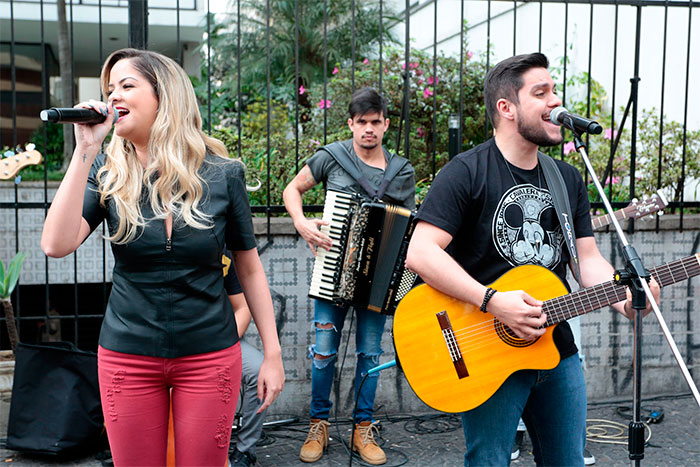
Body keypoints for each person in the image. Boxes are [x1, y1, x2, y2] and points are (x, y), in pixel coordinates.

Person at [404, 52, 659, 466]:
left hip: (556, 351)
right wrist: (492, 300)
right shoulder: (466, 172)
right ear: (506, 108)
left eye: (554, 91)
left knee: (568, 461)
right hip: (485, 350)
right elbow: (419, 250)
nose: (555, 102)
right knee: (489, 461)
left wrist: (625, 298)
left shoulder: (567, 178)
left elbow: (586, 260)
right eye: (541, 93)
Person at [40, 48, 284, 466]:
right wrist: (84, 150)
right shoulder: (107, 171)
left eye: (127, 85)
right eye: (109, 88)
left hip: (209, 355)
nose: (113, 95)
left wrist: (274, 356)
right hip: (127, 356)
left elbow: (249, 268)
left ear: (164, 95)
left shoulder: (223, 174)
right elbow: (55, 244)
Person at [282, 87, 415, 465]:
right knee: (324, 353)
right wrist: (301, 223)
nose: (368, 130)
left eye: (376, 123)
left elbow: (408, 226)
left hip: (376, 281)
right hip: (331, 275)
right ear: (350, 124)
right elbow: (293, 189)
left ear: (386, 124)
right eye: (362, 123)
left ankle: (363, 428)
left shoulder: (401, 171)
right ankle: (318, 424)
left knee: (370, 355)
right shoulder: (332, 157)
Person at [222, 251, 266, 467]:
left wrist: (221, 349)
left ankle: (244, 451)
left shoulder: (226, 254)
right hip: (172, 348)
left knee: (260, 372)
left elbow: (243, 308)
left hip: (222, 340)